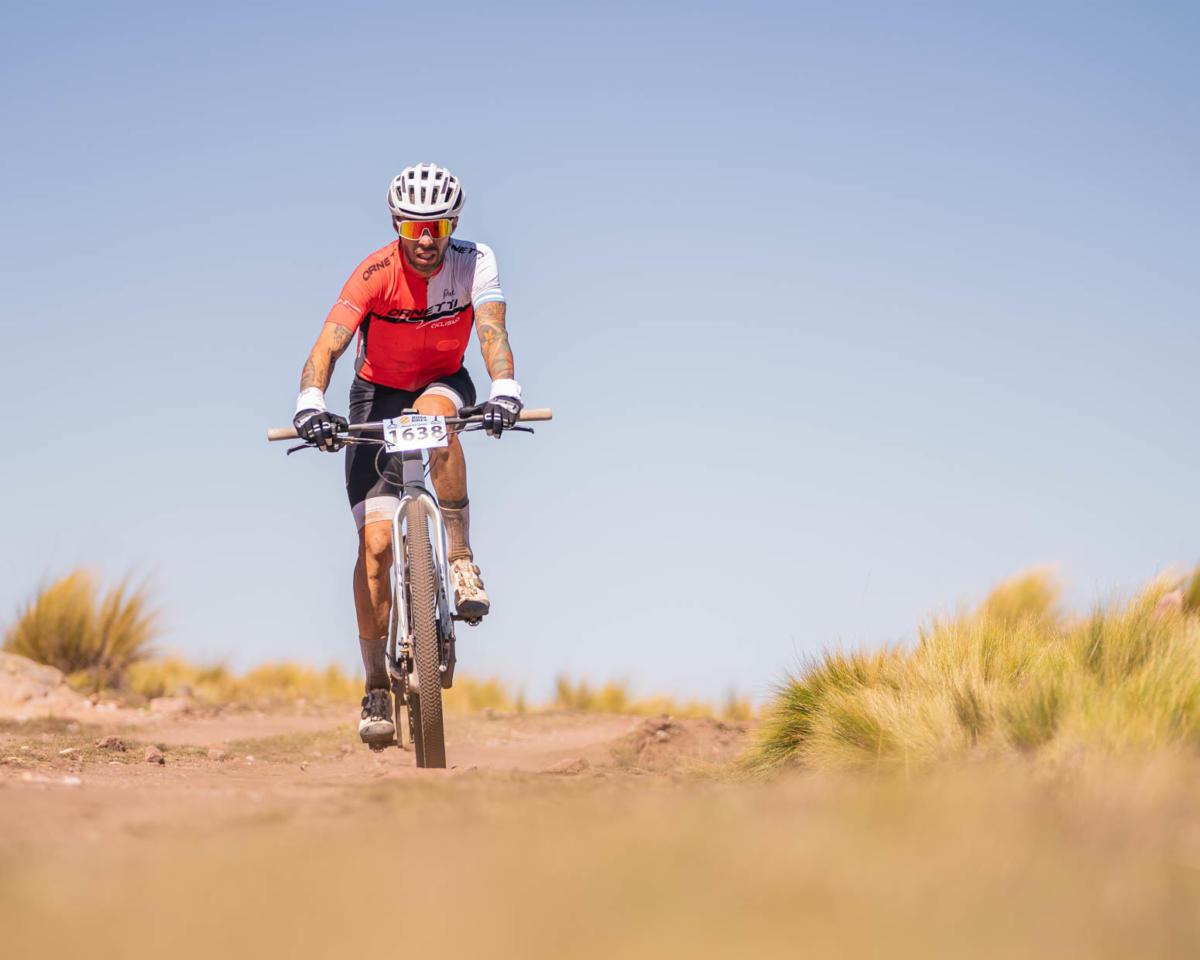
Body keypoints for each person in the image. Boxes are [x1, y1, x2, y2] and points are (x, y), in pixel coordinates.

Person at [290, 163, 523, 745]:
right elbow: (329, 344)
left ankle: (461, 559)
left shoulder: (474, 261)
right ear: (396, 223)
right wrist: (310, 402)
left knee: (439, 421)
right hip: (376, 396)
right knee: (374, 549)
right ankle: (375, 685)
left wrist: (505, 389)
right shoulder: (374, 272)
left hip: (442, 381)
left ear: (453, 226)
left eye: (437, 227)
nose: (425, 240)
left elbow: (492, 330)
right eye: (414, 227)